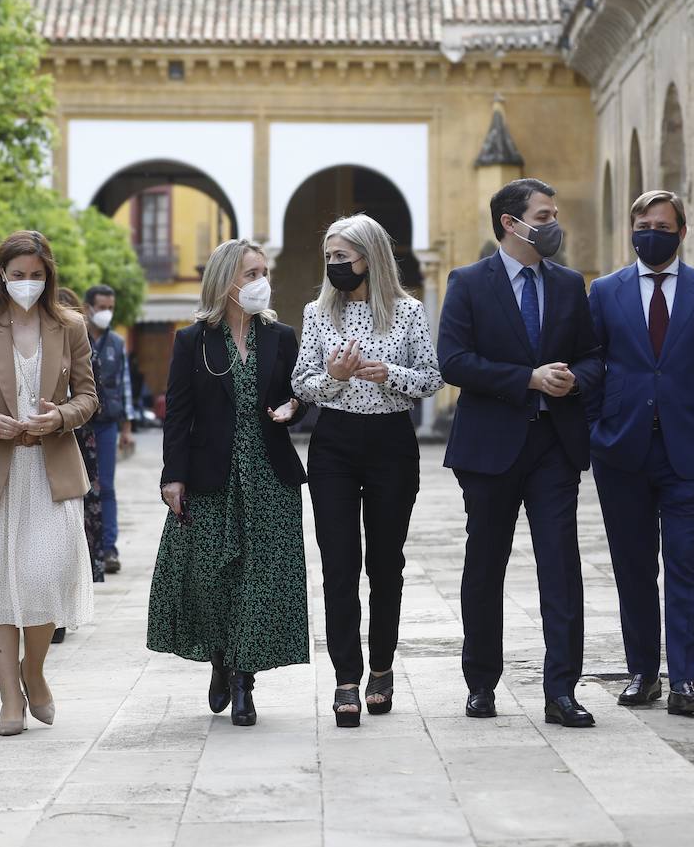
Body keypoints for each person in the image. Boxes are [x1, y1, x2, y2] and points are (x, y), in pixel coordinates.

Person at [436, 178, 602, 728]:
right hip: (489, 450)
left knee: (561, 567)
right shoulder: (467, 283)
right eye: (544, 213)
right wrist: (526, 378)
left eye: (553, 213)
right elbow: (453, 362)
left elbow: (594, 358)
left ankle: (561, 691)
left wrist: (572, 379)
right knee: (485, 567)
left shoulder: (569, 283)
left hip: (555, 446)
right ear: (511, 222)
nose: (554, 222)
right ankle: (480, 683)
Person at [587, 190, 694, 715]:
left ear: (682, 231)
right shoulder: (605, 292)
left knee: (684, 563)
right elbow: (592, 367)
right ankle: (642, 673)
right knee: (632, 566)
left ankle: (684, 681)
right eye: (642, 224)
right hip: (621, 450)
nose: (650, 232)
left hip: (688, 452)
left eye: (661, 224)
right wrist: (593, 432)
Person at [149, 238, 309, 728]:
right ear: (226, 281)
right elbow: (178, 415)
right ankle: (220, 659)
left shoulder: (281, 337)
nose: (261, 281)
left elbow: (302, 394)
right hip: (210, 476)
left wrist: (295, 408)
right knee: (212, 577)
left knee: (261, 580)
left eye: (264, 271)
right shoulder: (191, 340)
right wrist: (172, 477)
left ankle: (244, 680)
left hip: (268, 475)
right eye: (251, 273)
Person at [0, 230, 97, 736]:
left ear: (48, 275)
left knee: (42, 577)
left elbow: (89, 398)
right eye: (17, 275)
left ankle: (35, 670)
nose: (26, 283)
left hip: (49, 470)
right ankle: (10, 695)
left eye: (36, 275)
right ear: (2, 275)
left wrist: (60, 417)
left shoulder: (70, 325)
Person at [291, 214, 441, 727]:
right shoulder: (317, 312)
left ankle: (381, 668)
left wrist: (388, 373)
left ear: (370, 257)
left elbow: (431, 378)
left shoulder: (407, 312)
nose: (335, 266)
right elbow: (302, 383)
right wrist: (333, 379)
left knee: (385, 562)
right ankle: (345, 680)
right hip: (333, 442)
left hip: (391, 442)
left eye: (343, 257)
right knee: (337, 563)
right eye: (329, 257)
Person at [84, 284, 137, 574]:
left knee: (107, 486)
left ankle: (109, 547)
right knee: (81, 486)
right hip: (79, 425)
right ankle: (86, 546)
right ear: (88, 307)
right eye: (101, 307)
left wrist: (126, 428)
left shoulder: (116, 342)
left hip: (106, 425)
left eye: (110, 307)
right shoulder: (75, 336)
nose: (106, 312)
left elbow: (126, 386)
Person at [58, 287, 106, 585]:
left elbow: (94, 398)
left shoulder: (86, 348)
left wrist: (67, 412)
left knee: (78, 515)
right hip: (39, 442)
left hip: (78, 443)